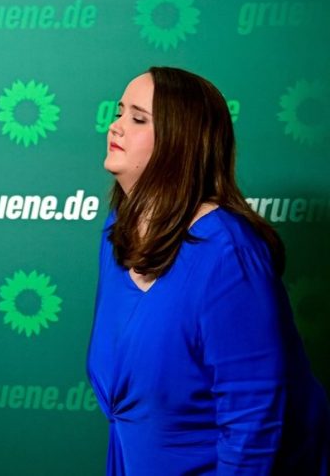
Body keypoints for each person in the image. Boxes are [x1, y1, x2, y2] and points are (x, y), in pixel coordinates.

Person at [86, 66, 330, 475]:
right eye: (119, 111)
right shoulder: (118, 229)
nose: (116, 126)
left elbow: (253, 421)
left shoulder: (227, 253)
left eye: (138, 118)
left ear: (179, 142)